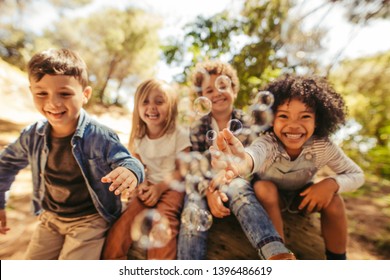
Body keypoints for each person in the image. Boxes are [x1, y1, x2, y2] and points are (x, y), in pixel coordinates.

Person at [0, 48, 145, 260]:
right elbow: (6, 164)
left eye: (65, 94)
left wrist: (130, 172)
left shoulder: (100, 136)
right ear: (31, 91)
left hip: (89, 221)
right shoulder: (32, 135)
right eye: (42, 93)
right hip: (50, 218)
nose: (53, 103)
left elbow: (130, 162)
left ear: (85, 95)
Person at [211, 74, 365, 260]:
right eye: (283, 116)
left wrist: (331, 183)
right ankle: (279, 255)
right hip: (269, 196)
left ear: (318, 121)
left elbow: (357, 174)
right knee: (264, 187)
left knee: (334, 200)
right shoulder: (269, 143)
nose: (293, 126)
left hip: (302, 196)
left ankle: (338, 260)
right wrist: (240, 162)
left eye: (305, 116)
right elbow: (253, 156)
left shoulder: (322, 146)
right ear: (270, 120)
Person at [177, 60, 295, 260]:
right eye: (209, 90)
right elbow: (194, 167)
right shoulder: (198, 128)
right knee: (193, 209)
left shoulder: (247, 123)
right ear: (202, 98)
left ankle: (276, 254)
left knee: (239, 189)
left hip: (236, 180)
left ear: (234, 89)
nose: (216, 93)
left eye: (222, 86)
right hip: (203, 185)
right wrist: (209, 191)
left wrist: (227, 178)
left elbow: (251, 164)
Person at [102, 79, 191, 260]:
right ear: (137, 107)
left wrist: (159, 189)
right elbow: (138, 166)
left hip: (172, 186)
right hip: (148, 185)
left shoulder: (179, 134)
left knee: (165, 219)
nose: (151, 107)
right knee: (127, 218)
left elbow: (182, 170)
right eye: (145, 102)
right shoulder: (138, 138)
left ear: (171, 106)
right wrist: (141, 184)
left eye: (159, 102)